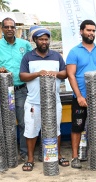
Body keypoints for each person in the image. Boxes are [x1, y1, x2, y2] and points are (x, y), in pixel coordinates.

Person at [19, 26, 68, 171]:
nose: (44, 42)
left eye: (46, 39)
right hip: (34, 102)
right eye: (41, 39)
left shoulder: (56, 56)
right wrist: (38, 74)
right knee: (31, 130)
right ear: (35, 40)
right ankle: (30, 159)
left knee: (56, 129)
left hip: (54, 101)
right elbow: (22, 76)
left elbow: (65, 73)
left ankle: (57, 155)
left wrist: (55, 73)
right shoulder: (28, 57)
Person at [66, 19, 96, 169]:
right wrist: (78, 96)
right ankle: (75, 157)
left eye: (93, 31)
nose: (91, 33)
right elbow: (71, 75)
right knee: (77, 127)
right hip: (81, 98)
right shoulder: (74, 52)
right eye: (88, 30)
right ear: (81, 32)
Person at [0, 17, 32, 161]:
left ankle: (24, 152)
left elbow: (31, 61)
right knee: (7, 123)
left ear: (16, 29)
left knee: (23, 122)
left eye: (12, 27)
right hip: (4, 90)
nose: (9, 29)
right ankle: (9, 153)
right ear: (2, 29)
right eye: (6, 27)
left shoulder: (25, 44)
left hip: (21, 89)